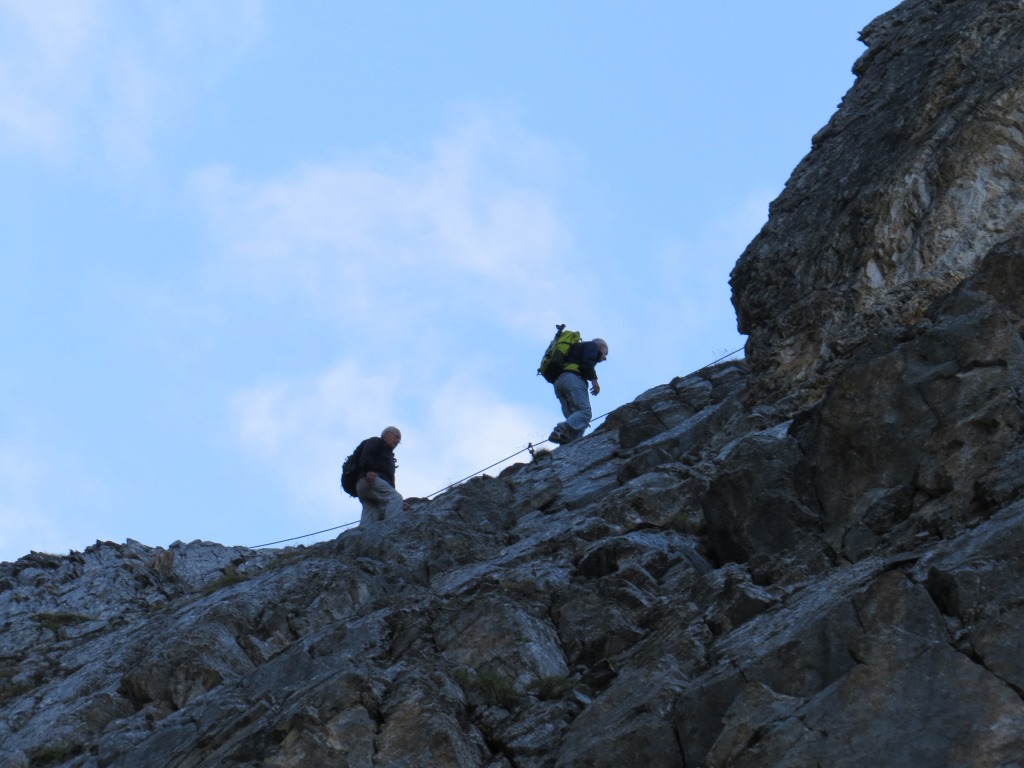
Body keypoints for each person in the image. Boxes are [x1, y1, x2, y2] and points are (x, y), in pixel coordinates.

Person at [549, 338, 608, 444]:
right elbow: (587, 363)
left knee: (577, 421)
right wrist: (595, 382)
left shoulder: (576, 349)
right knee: (585, 413)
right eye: (606, 353)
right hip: (573, 379)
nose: (605, 358)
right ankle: (560, 429)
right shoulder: (592, 346)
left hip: (559, 382)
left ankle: (569, 444)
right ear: (601, 346)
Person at [355, 426, 404, 525]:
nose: (397, 440)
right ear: (386, 434)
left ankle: (364, 533)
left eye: (399, 440)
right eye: (396, 436)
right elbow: (367, 454)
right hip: (370, 479)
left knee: (372, 510)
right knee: (395, 498)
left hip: (364, 485)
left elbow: (390, 481)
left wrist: (401, 504)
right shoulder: (376, 441)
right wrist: (369, 470)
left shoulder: (389, 456)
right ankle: (391, 528)